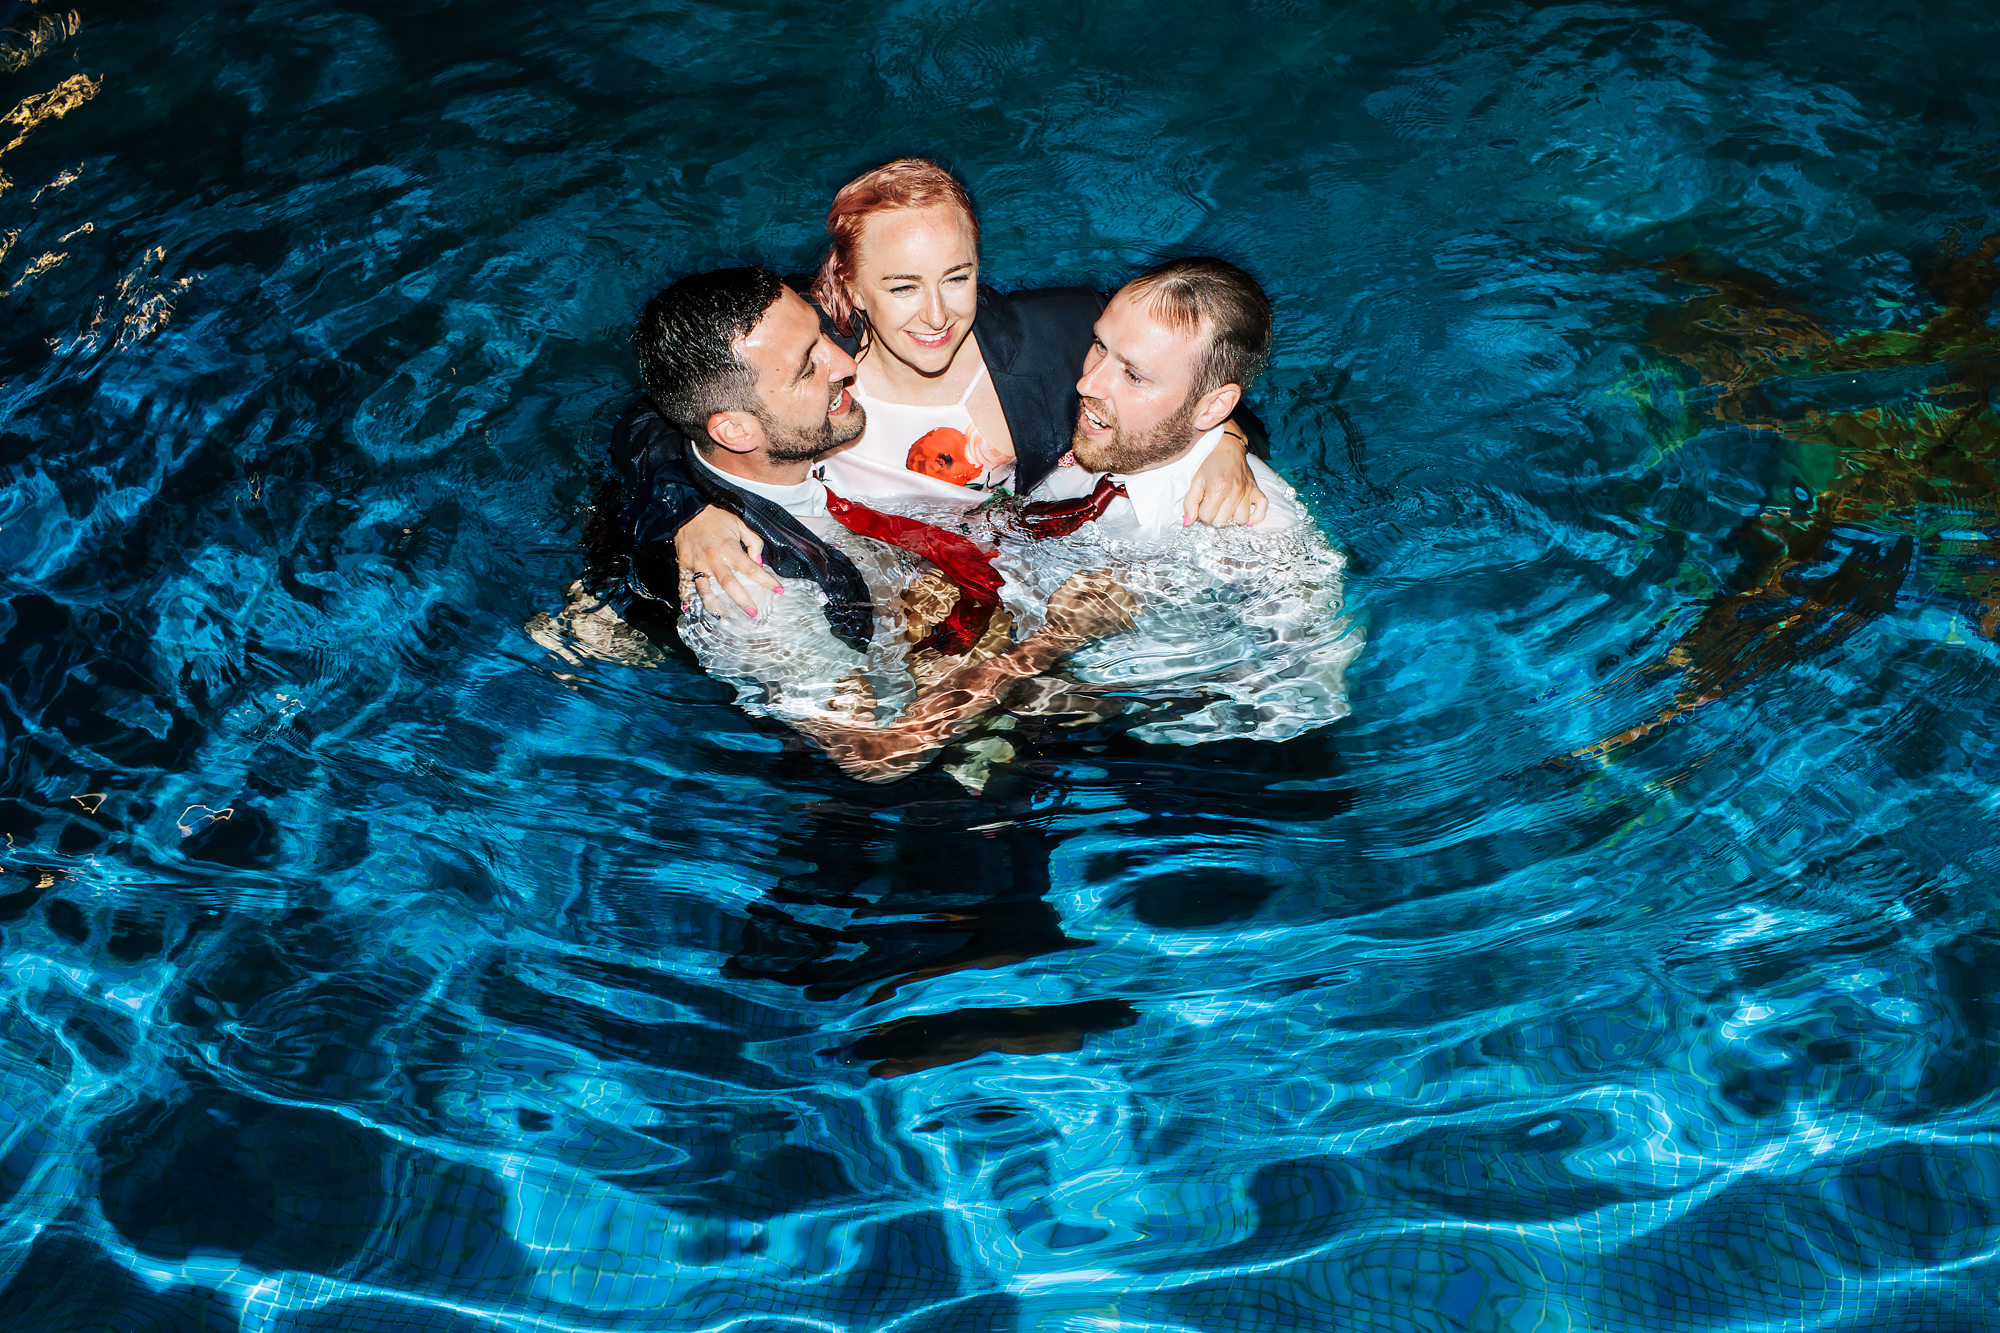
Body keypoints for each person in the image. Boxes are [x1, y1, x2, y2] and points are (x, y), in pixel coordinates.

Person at [602, 159, 1272, 619]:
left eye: (957, 276)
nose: (936, 315)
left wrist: (1226, 441)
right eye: (900, 287)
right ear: (851, 287)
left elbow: (1185, 383)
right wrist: (682, 513)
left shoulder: (1062, 337)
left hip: (1034, 585)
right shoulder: (814, 371)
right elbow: (661, 417)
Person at [629, 264, 1136, 784]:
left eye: (822, 335)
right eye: (808, 367)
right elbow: (875, 756)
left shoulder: (747, 468)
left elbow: (643, 420)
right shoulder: (753, 592)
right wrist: (1053, 639)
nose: (846, 363)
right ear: (735, 431)